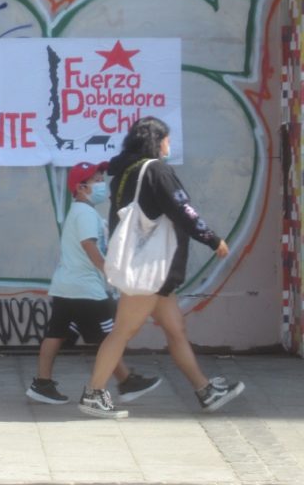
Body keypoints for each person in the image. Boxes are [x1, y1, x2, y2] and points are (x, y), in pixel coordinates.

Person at [78, 116, 244, 418]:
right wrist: (212, 239)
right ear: (156, 141)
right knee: (122, 332)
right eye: (166, 138)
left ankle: (205, 390)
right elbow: (183, 210)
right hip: (150, 270)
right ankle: (94, 392)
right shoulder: (156, 171)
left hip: (150, 269)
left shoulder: (125, 173)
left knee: (176, 329)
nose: (169, 144)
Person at [27, 161, 160, 405]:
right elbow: (89, 245)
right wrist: (109, 272)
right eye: (96, 181)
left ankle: (42, 383)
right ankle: (126, 382)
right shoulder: (86, 214)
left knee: (56, 334)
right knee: (110, 337)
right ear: (81, 188)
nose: (101, 184)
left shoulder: (80, 212)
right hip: (86, 289)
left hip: (67, 285)